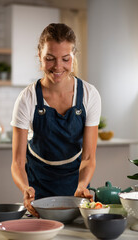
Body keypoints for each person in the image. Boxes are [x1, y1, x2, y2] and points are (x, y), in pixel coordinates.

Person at [10, 23, 101, 216]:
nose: (58, 67)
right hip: (38, 186)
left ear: (74, 56)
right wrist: (25, 189)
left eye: (65, 59)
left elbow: (88, 157)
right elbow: (17, 162)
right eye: (50, 59)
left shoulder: (89, 95)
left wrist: (82, 186)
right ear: (40, 56)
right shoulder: (27, 98)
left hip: (77, 184)